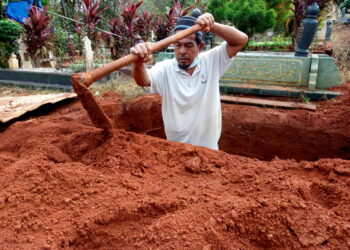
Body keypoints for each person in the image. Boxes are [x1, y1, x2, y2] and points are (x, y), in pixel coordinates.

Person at [130, 13, 248, 150]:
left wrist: (212, 25)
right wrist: (137, 63)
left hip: (209, 151)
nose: (182, 51)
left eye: (188, 45)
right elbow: (143, 80)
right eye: (177, 45)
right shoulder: (165, 69)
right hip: (176, 152)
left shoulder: (212, 61)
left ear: (200, 46)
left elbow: (241, 40)